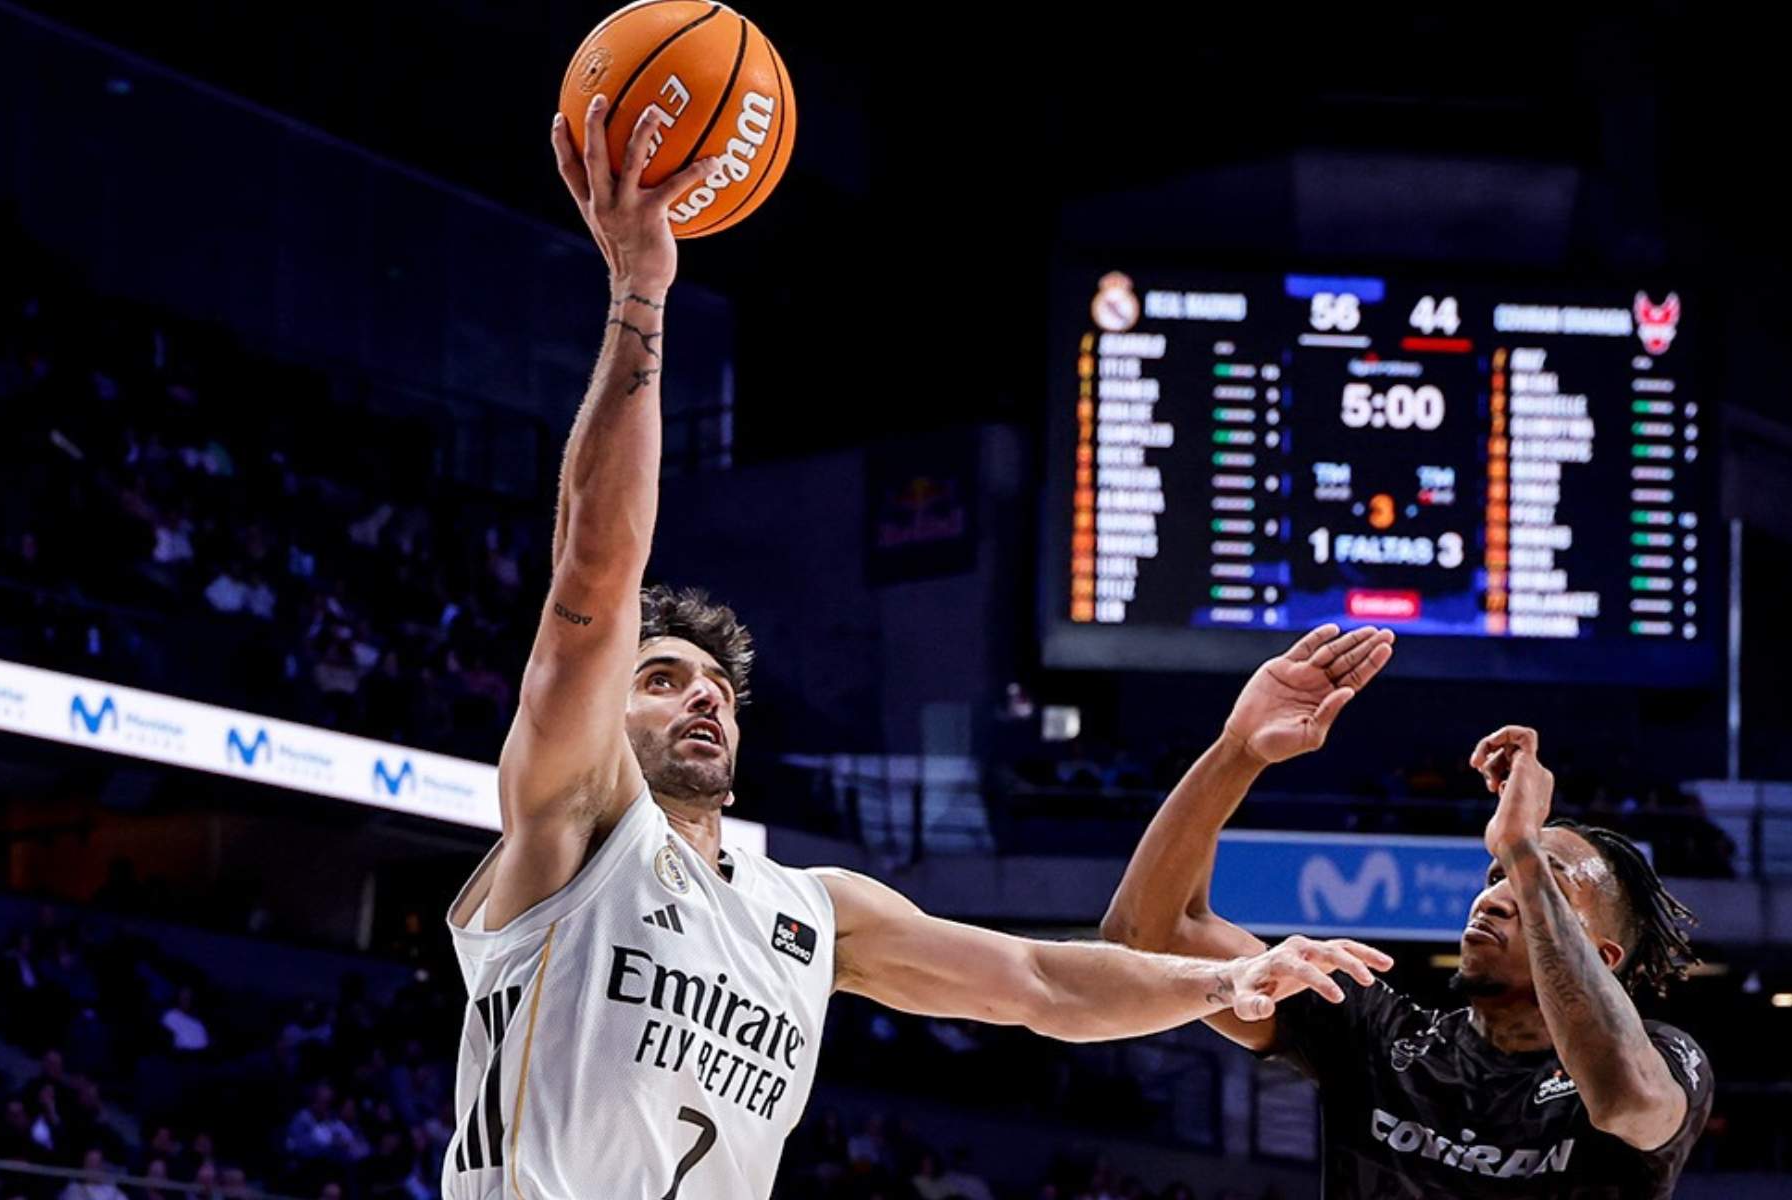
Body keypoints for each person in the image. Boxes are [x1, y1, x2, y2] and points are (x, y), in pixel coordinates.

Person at [437, 96, 1393, 1200]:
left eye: (717, 689)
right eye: (659, 680)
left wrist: (1225, 985)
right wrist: (641, 293)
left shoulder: (812, 910)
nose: (702, 700)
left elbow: (1039, 979)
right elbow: (595, 572)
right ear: (601, 713)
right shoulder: (568, 824)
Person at [1101, 630, 1712, 1198]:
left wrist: (1524, 849)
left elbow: (1625, 1103)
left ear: (1604, 956)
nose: (1496, 893)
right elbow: (1145, 935)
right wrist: (1237, 752)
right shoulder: (1376, 1031)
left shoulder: (1666, 1060)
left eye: (1539, 887)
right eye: (1496, 875)